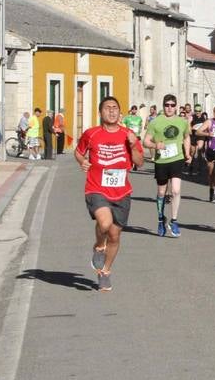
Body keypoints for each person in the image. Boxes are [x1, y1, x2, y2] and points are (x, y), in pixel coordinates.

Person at [76, 95, 144, 291]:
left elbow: (139, 163)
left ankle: (105, 271)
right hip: (96, 187)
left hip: (122, 191)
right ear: (100, 112)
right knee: (104, 223)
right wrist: (83, 162)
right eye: (107, 108)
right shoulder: (92, 134)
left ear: (120, 113)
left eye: (115, 108)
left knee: (114, 235)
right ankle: (99, 245)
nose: (112, 111)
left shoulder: (128, 134)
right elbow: (79, 152)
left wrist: (132, 144)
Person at [143, 94, 191, 237]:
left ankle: (174, 221)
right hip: (161, 161)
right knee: (161, 193)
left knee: (176, 190)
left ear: (176, 106)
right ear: (163, 106)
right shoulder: (155, 122)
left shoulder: (182, 121)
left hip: (177, 158)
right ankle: (160, 219)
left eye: (172, 105)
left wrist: (187, 153)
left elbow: (186, 137)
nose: (169, 108)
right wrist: (155, 145)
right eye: (167, 105)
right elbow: (145, 141)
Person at [194, 105, 215, 201]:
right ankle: (211, 189)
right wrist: (207, 134)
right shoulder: (209, 122)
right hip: (210, 150)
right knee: (211, 173)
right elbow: (197, 132)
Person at [122, 105, 145, 170]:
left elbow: (140, 125)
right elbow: (123, 125)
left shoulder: (139, 118)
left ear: (136, 110)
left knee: (137, 149)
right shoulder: (127, 118)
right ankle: (130, 163)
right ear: (131, 110)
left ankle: (135, 164)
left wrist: (140, 130)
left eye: (135, 109)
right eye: (133, 109)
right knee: (129, 150)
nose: (134, 110)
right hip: (129, 136)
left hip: (137, 135)